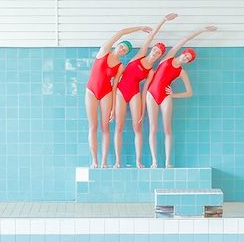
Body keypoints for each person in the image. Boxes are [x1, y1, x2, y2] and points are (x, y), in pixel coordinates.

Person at [146, 26, 217, 168]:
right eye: (186, 55)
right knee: (153, 129)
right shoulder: (168, 57)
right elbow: (185, 39)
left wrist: (173, 94)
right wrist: (202, 30)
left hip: (166, 97)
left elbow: (189, 92)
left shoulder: (181, 72)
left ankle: (167, 162)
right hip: (151, 94)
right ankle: (154, 161)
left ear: (188, 62)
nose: (185, 58)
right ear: (183, 53)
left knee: (167, 129)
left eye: (188, 59)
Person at [114, 13, 178, 168]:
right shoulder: (140, 55)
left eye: (158, 53)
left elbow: (144, 92)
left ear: (159, 56)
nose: (155, 53)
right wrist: (163, 20)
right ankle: (117, 161)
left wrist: (143, 110)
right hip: (121, 91)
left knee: (138, 127)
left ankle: (138, 161)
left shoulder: (151, 72)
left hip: (135, 93)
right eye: (155, 49)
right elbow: (152, 35)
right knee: (119, 126)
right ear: (151, 49)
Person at [86, 26, 151, 168]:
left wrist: (114, 108)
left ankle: (103, 161)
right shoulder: (104, 51)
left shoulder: (120, 66)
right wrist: (139, 28)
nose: (122, 50)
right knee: (92, 126)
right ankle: (94, 161)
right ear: (117, 45)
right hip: (91, 91)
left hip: (106, 93)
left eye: (125, 51)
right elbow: (121, 32)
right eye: (122, 46)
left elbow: (115, 86)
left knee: (105, 127)